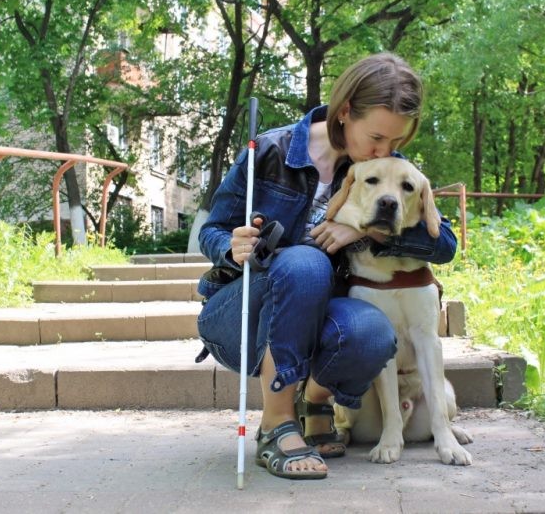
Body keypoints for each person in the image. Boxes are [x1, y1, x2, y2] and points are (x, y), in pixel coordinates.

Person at [196, 52, 457, 480]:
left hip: (323, 321)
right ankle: (277, 422)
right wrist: (231, 245)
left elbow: (443, 243)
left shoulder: (381, 172)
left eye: (395, 144)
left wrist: (368, 229)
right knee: (305, 263)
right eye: (376, 137)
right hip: (245, 316)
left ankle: (317, 401)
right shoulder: (268, 151)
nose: (384, 151)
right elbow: (214, 229)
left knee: (373, 331)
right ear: (346, 111)